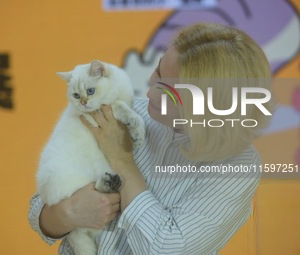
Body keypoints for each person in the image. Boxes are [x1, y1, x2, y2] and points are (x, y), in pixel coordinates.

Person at [28, 22, 273, 254]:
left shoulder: (238, 166)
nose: (149, 92)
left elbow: (165, 248)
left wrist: (122, 160)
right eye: (157, 70)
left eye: (169, 92)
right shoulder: (127, 110)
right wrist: (66, 213)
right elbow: (39, 210)